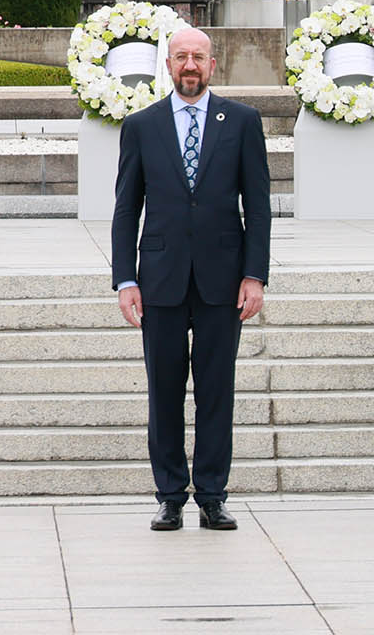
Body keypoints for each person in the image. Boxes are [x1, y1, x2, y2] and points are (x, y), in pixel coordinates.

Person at [111, 28, 270, 532]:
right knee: (164, 389)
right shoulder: (142, 126)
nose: (190, 65)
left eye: (198, 57)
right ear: (168, 65)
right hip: (160, 278)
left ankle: (213, 495)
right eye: (181, 57)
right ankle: (170, 495)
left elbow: (259, 206)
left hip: (224, 281)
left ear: (213, 64)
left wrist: (255, 275)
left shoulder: (243, 122)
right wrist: (124, 279)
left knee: (216, 389)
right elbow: (125, 209)